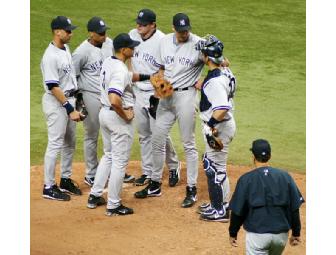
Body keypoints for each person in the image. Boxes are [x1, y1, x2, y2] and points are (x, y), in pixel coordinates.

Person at [134, 13, 203, 208]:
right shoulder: (164, 42)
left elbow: (218, 65)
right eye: (180, 31)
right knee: (157, 138)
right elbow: (161, 68)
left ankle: (191, 188)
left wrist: (204, 81)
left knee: (188, 143)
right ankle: (155, 184)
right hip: (166, 98)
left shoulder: (198, 43)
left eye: (186, 30)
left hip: (186, 97)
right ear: (173, 28)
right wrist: (158, 88)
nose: (184, 34)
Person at [86, 33, 152, 216]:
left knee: (108, 156)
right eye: (132, 46)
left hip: (104, 116)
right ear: (124, 50)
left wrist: (149, 76)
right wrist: (126, 115)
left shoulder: (110, 62)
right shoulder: (120, 70)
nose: (134, 48)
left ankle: (95, 195)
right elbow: (115, 99)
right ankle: (113, 205)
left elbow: (128, 76)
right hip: (117, 119)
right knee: (119, 162)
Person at [72, 17, 135, 187]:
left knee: (113, 134)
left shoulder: (110, 43)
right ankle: (91, 173)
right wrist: (79, 99)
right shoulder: (81, 52)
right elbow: (73, 76)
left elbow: (121, 61)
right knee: (91, 135)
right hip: (91, 95)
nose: (104, 35)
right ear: (90, 33)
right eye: (100, 33)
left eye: (105, 32)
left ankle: (117, 169)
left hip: (111, 94)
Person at [129, 9, 180, 187]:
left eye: (143, 24)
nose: (139, 26)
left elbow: (167, 68)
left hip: (154, 93)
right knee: (143, 134)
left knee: (159, 133)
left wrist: (158, 94)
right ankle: (147, 171)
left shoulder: (163, 40)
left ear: (153, 25)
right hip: (137, 92)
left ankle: (173, 166)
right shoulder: (132, 35)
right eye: (138, 23)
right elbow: (128, 60)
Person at [229, 139, 304, 254]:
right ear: (270, 156)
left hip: (258, 236)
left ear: (253, 156)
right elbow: (294, 209)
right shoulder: (285, 177)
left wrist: (233, 233)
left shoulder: (246, 179)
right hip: (281, 237)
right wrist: (296, 232)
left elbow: (238, 212)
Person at [41, 16, 83, 201]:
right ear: (57, 31)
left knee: (69, 143)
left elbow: (69, 78)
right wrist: (69, 108)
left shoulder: (65, 48)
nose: (71, 33)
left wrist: (77, 98)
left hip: (69, 100)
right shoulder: (50, 56)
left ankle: (65, 179)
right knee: (55, 143)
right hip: (57, 103)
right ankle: (48, 186)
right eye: (68, 30)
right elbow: (53, 86)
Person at [195, 35, 236, 222]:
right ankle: (222, 204)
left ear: (207, 58)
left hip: (218, 127)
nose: (201, 55)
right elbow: (224, 63)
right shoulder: (225, 70)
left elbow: (221, 108)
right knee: (216, 165)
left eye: (203, 53)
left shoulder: (214, 83)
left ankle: (219, 210)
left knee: (214, 168)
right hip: (224, 125)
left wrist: (209, 125)